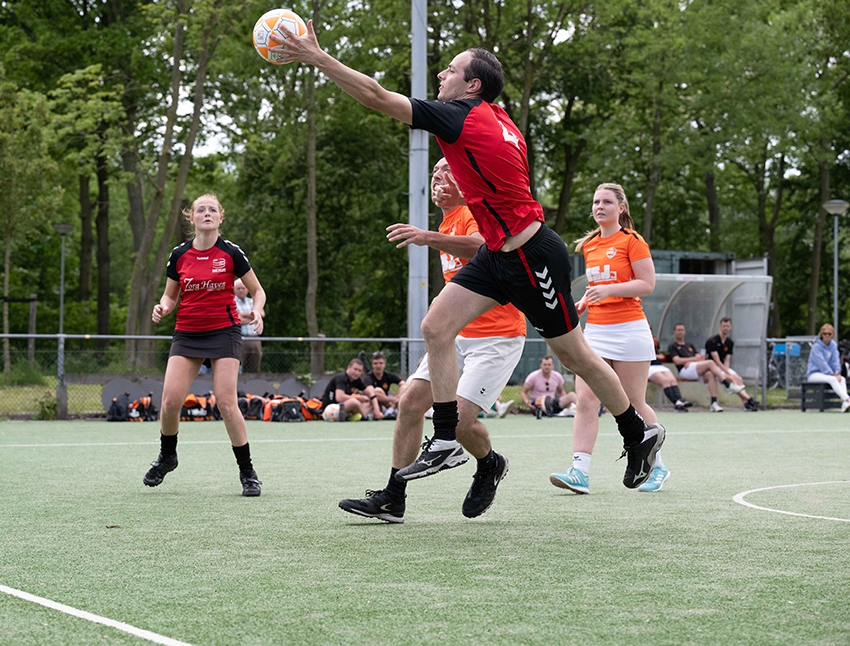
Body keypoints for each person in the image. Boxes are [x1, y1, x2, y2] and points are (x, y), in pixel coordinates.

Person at [275, 28, 663, 489]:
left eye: (452, 69)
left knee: (573, 354)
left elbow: (378, 97)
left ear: (473, 85)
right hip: (498, 253)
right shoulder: (499, 117)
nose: (442, 73)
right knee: (435, 327)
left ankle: (638, 433)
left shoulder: (465, 117)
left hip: (530, 255)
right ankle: (444, 439)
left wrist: (318, 57)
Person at [338, 157, 527, 522]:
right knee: (409, 403)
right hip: (454, 338)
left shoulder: (476, 211)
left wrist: (426, 237)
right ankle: (394, 497)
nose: (438, 177)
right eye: (435, 173)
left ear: (467, 179)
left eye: (447, 171)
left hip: (496, 337)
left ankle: (490, 464)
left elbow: (481, 246)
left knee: (458, 422)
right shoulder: (448, 221)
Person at [549, 184, 669, 494]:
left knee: (633, 402)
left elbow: (646, 283)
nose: (600, 206)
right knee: (587, 400)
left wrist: (609, 291)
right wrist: (588, 301)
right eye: (596, 201)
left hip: (630, 330)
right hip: (597, 332)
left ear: (621, 208)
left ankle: (657, 465)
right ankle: (579, 471)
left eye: (607, 201)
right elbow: (599, 283)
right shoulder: (589, 245)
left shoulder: (632, 241)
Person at [145, 194, 266, 497]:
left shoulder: (231, 253)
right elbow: (170, 296)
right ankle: (168, 456)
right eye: (201, 210)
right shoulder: (180, 255)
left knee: (226, 401)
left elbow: (257, 290)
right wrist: (162, 307)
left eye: (212, 209)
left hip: (224, 332)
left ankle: (247, 472)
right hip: (187, 333)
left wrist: (258, 310)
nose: (207, 213)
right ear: (192, 218)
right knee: (171, 401)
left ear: (220, 218)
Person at [665, 323, 739, 413]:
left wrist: (691, 360)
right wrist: (693, 359)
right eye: (678, 330)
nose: (680, 332)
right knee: (711, 362)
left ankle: (714, 403)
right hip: (685, 370)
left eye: (682, 330)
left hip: (695, 368)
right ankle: (728, 385)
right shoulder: (673, 346)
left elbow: (700, 357)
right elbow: (677, 360)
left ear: (685, 332)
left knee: (710, 374)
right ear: (675, 332)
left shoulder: (689, 345)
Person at [705, 317, 760, 411]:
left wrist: (726, 371)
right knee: (731, 378)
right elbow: (716, 361)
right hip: (712, 368)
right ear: (720, 326)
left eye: (727, 326)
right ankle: (749, 399)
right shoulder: (712, 341)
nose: (725, 328)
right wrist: (726, 372)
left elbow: (727, 359)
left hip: (722, 367)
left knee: (738, 378)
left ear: (730, 327)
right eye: (723, 326)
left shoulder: (730, 343)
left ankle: (746, 404)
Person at [805, 323, 850, 412]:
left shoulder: (833, 345)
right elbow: (821, 363)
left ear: (832, 335)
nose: (827, 336)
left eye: (829, 334)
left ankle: (845, 403)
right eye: (825, 334)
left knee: (842, 379)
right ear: (821, 334)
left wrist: (837, 372)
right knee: (833, 379)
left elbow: (835, 361)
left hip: (829, 374)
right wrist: (832, 374)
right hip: (814, 374)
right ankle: (847, 399)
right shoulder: (816, 347)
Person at [650, 330, 692, 412]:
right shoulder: (637, 340)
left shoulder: (654, 340)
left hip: (659, 365)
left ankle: (679, 401)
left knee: (672, 380)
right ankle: (677, 402)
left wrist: (656, 355)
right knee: (665, 381)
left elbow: (660, 355)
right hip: (648, 367)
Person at [234, 278, 262, 374]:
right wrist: (253, 316)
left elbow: (261, 314)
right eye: (239, 288)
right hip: (240, 338)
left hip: (254, 338)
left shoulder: (252, 301)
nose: (241, 290)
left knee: (254, 367)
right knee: (238, 366)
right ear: (234, 290)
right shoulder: (232, 302)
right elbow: (236, 319)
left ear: (247, 290)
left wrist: (243, 315)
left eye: (243, 288)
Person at [365, 351, 402, 416]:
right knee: (378, 390)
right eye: (375, 363)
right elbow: (372, 393)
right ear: (372, 365)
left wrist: (397, 397)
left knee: (404, 387)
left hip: (389, 403)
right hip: (374, 404)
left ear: (384, 364)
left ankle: (391, 410)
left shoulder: (389, 375)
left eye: (381, 363)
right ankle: (391, 410)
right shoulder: (368, 377)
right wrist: (393, 399)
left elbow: (404, 385)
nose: (378, 366)